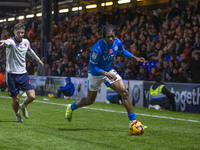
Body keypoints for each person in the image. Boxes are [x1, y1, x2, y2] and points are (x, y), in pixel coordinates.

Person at [65, 24, 146, 125]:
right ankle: (71, 107)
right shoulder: (97, 48)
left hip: (109, 71)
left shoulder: (117, 42)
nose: (112, 39)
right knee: (90, 100)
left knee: (124, 92)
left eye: (113, 36)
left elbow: (122, 51)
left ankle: (133, 121)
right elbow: (92, 67)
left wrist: (135, 58)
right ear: (104, 37)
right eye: (109, 37)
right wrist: (105, 73)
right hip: (95, 74)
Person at [0, 23, 44, 122]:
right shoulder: (11, 42)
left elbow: (30, 51)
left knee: (32, 96)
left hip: (23, 74)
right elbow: (7, 43)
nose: (20, 34)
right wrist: (4, 41)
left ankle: (23, 106)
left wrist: (38, 60)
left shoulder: (26, 42)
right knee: (15, 100)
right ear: (14, 32)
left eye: (22, 32)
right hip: (11, 75)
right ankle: (17, 114)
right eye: (18, 33)